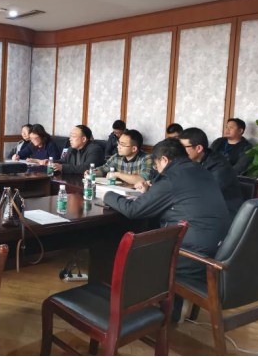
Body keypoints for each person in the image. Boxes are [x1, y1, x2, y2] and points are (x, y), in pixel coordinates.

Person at [102, 139, 231, 321]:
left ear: (164, 159)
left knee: (133, 253)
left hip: (192, 257)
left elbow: (134, 210)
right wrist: (151, 193)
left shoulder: (171, 177)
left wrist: (107, 194)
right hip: (218, 251)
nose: (158, 170)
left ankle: (139, 316)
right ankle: (170, 312)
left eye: (156, 165)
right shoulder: (200, 170)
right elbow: (183, 201)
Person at [179, 128, 244, 218]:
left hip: (224, 213)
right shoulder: (190, 161)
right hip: (201, 208)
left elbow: (206, 195)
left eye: (183, 148)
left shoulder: (220, 167)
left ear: (198, 148)